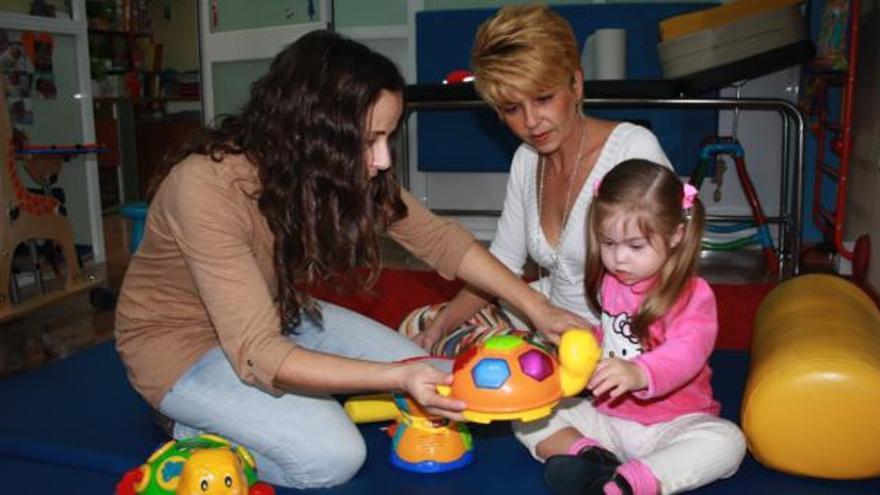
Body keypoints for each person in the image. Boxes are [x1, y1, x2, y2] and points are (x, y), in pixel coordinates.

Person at [114, 30, 587, 490]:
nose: (382, 159)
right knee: (331, 457)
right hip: (180, 349)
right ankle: (186, 425)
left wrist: (537, 308)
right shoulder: (207, 188)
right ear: (316, 132)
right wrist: (394, 377)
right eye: (369, 140)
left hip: (274, 315)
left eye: (388, 137)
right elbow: (258, 352)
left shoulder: (327, 166)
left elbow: (442, 241)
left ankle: (293, 401)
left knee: (443, 379)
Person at [406, 4, 671, 355]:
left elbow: (677, 271)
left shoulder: (633, 150)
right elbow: (501, 266)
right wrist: (440, 327)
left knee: (493, 366)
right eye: (512, 109)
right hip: (544, 319)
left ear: (575, 84)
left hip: (616, 338)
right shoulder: (526, 161)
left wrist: (621, 353)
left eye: (543, 98)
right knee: (420, 326)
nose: (531, 122)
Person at [516, 160, 746, 495]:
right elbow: (613, 337)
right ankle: (591, 459)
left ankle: (628, 484)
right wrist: (580, 348)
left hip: (673, 425)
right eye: (608, 243)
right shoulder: (613, 282)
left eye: (635, 246)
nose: (619, 259)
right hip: (608, 421)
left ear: (676, 236)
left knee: (728, 442)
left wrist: (639, 374)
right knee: (527, 410)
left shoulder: (693, 294)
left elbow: (687, 353)